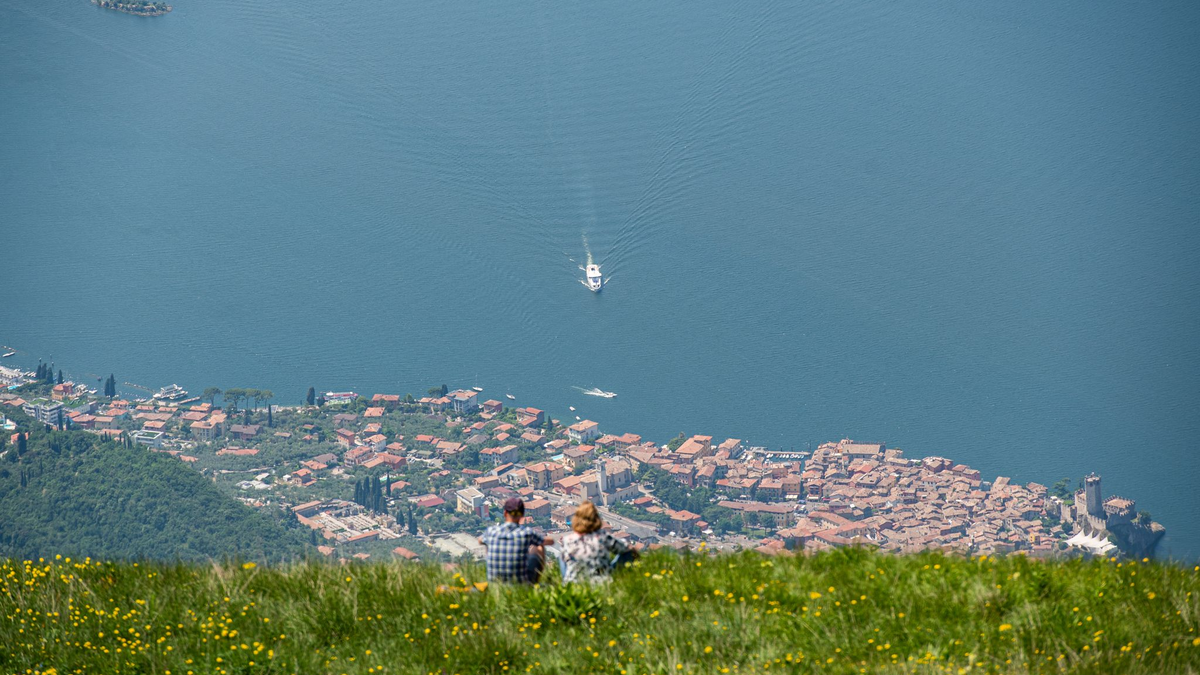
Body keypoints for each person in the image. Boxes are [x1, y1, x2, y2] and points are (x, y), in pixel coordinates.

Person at [559, 501, 638, 583]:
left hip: (574, 586)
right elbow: (627, 548)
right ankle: (626, 573)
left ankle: (567, 580)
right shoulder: (603, 537)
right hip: (601, 583)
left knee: (561, 556)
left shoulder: (567, 540)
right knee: (628, 552)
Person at [479, 498, 553, 583]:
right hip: (521, 585)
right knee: (539, 547)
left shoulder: (491, 531)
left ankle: (493, 574)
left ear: (505, 513)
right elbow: (551, 541)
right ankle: (535, 583)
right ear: (522, 515)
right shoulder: (527, 533)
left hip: (495, 587)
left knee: (487, 543)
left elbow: (480, 540)